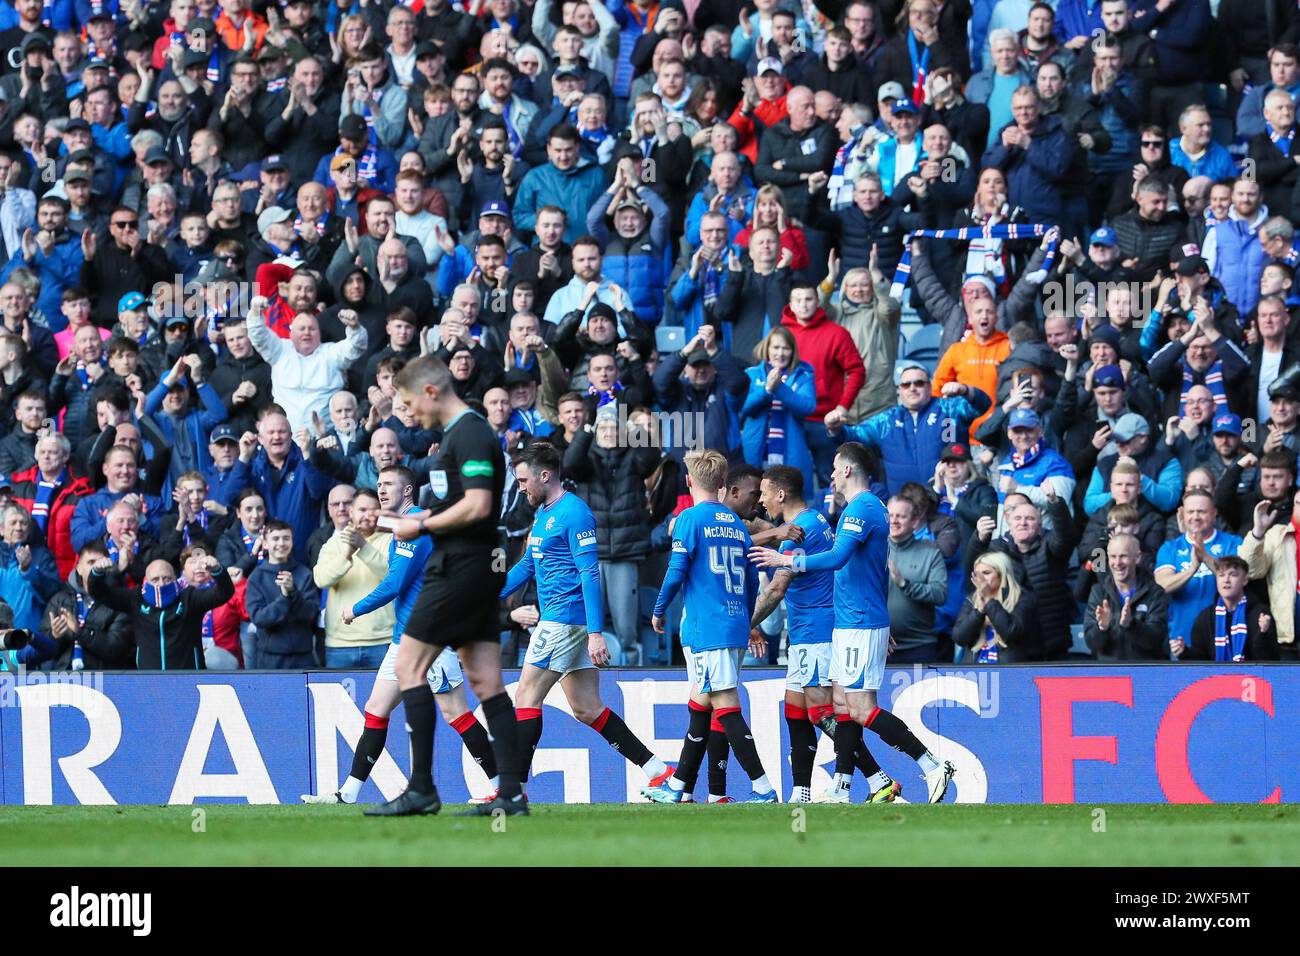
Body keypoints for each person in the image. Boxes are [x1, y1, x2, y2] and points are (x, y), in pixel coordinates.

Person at [750, 441, 956, 803]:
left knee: (860, 709)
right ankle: (843, 788)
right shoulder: (858, 509)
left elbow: (837, 558)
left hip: (859, 622)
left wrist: (786, 562)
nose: (829, 475)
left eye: (833, 467)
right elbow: (864, 569)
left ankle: (932, 763)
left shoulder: (861, 508)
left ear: (847, 470)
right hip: (851, 621)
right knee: (843, 707)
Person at [303, 465, 501, 806]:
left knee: (456, 714)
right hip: (404, 639)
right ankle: (348, 793)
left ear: (407, 491)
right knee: (376, 709)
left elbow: (396, 583)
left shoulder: (415, 529)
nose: (381, 490)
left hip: (429, 640)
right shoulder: (402, 527)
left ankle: (503, 785)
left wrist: (355, 608)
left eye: (388, 484)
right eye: (378, 484)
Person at [375, 355, 519, 817]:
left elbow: (477, 506)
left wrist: (419, 526)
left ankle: (422, 789)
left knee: (410, 667)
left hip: (458, 568)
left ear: (432, 391)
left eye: (410, 401)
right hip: (473, 569)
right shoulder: (454, 438)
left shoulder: (472, 433)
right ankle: (512, 794)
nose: (408, 412)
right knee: (484, 680)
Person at [503, 442, 674, 793]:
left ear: (544, 475)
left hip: (563, 621)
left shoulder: (575, 513)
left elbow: (589, 573)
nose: (521, 489)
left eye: (523, 481)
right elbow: (528, 565)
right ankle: (658, 770)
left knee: (525, 697)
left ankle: (512, 790)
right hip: (567, 623)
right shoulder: (545, 514)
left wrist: (596, 633)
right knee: (586, 707)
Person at [747, 464, 895, 804]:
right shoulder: (812, 521)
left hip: (816, 631)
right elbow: (764, 528)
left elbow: (776, 590)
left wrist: (745, 626)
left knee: (822, 712)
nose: (761, 500)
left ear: (780, 494)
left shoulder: (800, 531)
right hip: (807, 631)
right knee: (795, 710)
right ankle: (801, 792)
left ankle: (878, 778)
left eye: (765, 493)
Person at [644, 448, 775, 804]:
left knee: (726, 704)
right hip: (733, 623)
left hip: (707, 627)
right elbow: (752, 580)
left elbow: (675, 571)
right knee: (701, 703)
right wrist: (746, 620)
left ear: (689, 482)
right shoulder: (736, 524)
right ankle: (680, 786)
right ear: (722, 484)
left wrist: (659, 610)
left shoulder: (689, 519)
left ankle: (763, 788)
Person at [827, 362, 990, 497]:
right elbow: (854, 436)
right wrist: (835, 429)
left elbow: (982, 405)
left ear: (929, 386)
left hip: (950, 499)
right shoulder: (887, 421)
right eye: (906, 384)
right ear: (899, 390)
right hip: (904, 508)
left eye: (919, 383)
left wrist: (965, 390)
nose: (912, 388)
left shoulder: (948, 409)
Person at [86, 550, 234, 670]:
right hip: (150, 683)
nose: (161, 584)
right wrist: (97, 573)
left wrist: (217, 571)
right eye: (155, 579)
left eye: (167, 579)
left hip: (189, 680)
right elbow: (100, 593)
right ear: (146, 581)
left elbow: (224, 593)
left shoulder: (190, 599)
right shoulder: (136, 599)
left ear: (175, 578)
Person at [312, 488, 395, 669]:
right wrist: (347, 555)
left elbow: (393, 577)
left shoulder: (391, 541)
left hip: (383, 640)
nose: (367, 515)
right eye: (362, 510)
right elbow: (321, 580)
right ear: (351, 512)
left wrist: (363, 546)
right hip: (340, 644)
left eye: (373, 510)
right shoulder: (333, 543)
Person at [1155, 490, 1242, 658]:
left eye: (1202, 511)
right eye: (1190, 512)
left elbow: (1238, 580)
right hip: (1181, 641)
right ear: (1182, 514)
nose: (1195, 516)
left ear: (1214, 512)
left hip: (1225, 638)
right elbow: (1163, 585)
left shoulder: (1233, 543)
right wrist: (1192, 569)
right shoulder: (1170, 548)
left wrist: (1206, 557)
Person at [245, 519, 320, 669]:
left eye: (286, 538)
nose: (281, 543)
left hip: (303, 657)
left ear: (292, 542)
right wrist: (284, 598)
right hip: (270, 658)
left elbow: (311, 614)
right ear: (265, 544)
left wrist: (293, 592)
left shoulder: (304, 573)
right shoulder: (256, 577)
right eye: (275, 538)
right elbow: (259, 618)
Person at [1084, 532, 1171, 661]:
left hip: (1147, 674)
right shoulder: (1098, 592)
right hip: (1111, 674)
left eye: (1123, 556)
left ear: (1137, 557)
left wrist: (1131, 625)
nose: (1117, 562)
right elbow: (1091, 643)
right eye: (1113, 557)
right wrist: (1102, 628)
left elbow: (1156, 640)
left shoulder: (1155, 592)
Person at [884, 493, 949, 664]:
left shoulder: (931, 554)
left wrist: (905, 584)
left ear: (914, 522)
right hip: (878, 645)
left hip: (919, 647)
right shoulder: (873, 551)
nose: (894, 520)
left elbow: (940, 594)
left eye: (901, 516)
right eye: (890, 515)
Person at [1184, 556, 1278, 661]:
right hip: (1217, 677)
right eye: (1221, 575)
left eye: (1233, 575)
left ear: (1245, 580)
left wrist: (1263, 634)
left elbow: (1270, 662)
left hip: (1250, 677)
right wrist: (1183, 652)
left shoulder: (1260, 613)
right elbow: (1199, 662)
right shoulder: (1206, 617)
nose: (1226, 580)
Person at [952, 550, 1038, 662]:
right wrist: (978, 612)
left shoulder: (1023, 598)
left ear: (1002, 574)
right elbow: (959, 637)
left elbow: (1010, 633)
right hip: (975, 672)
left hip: (1009, 674)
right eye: (977, 574)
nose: (981, 579)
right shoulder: (971, 599)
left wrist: (989, 600)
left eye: (986, 573)